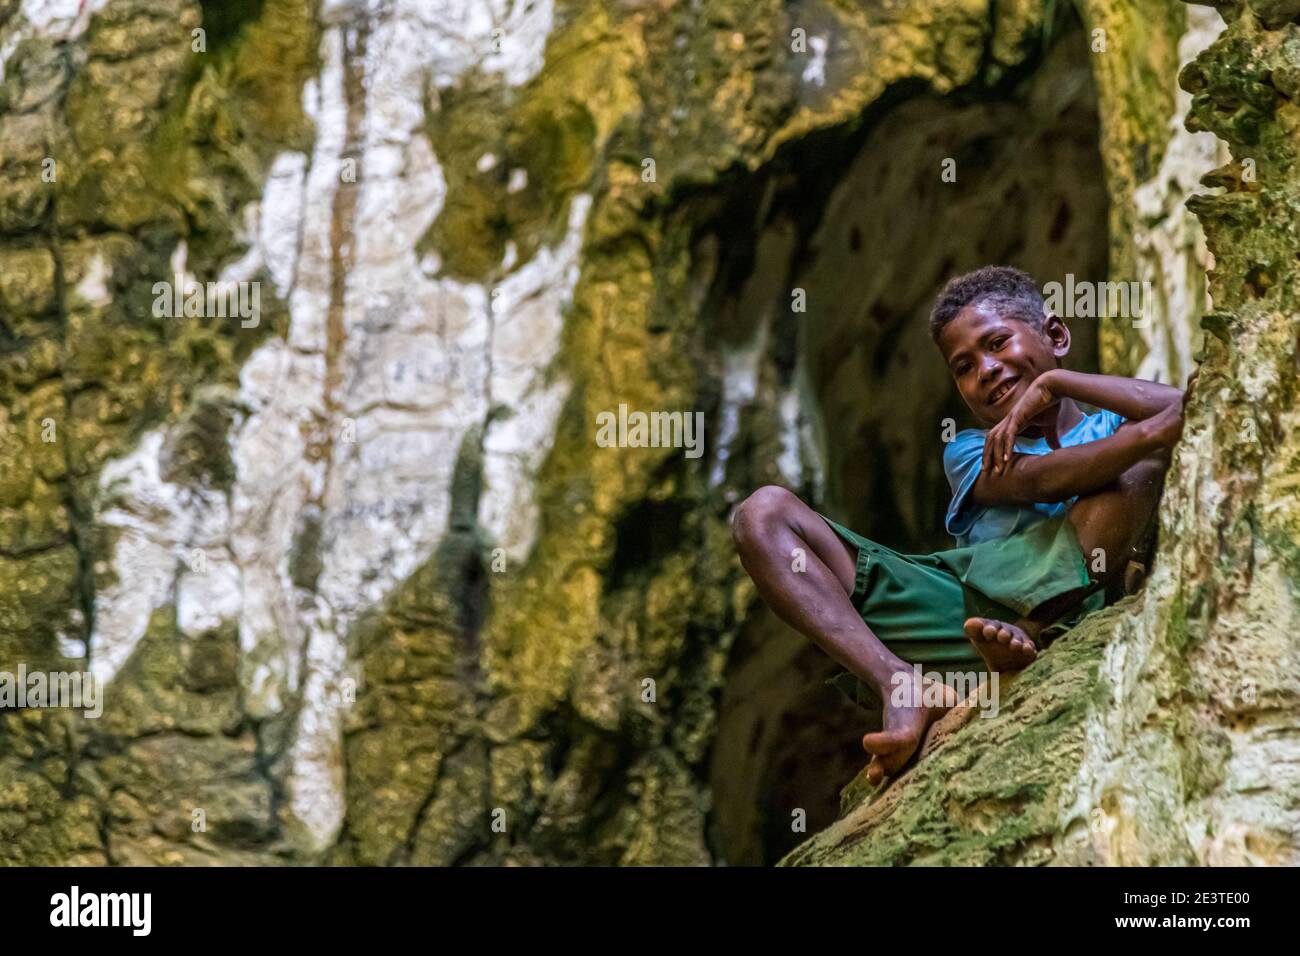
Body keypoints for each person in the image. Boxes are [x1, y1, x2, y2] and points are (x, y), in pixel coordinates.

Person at [731, 266, 1187, 784]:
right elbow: (1038, 483)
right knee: (762, 515)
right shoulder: (971, 448)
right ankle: (901, 684)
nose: (986, 370)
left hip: (1070, 610)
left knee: (1140, 465)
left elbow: (1190, 407)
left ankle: (1033, 630)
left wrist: (1058, 382)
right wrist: (1150, 434)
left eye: (997, 343)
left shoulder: (1115, 429)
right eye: (964, 367)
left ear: (1056, 335)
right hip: (967, 621)